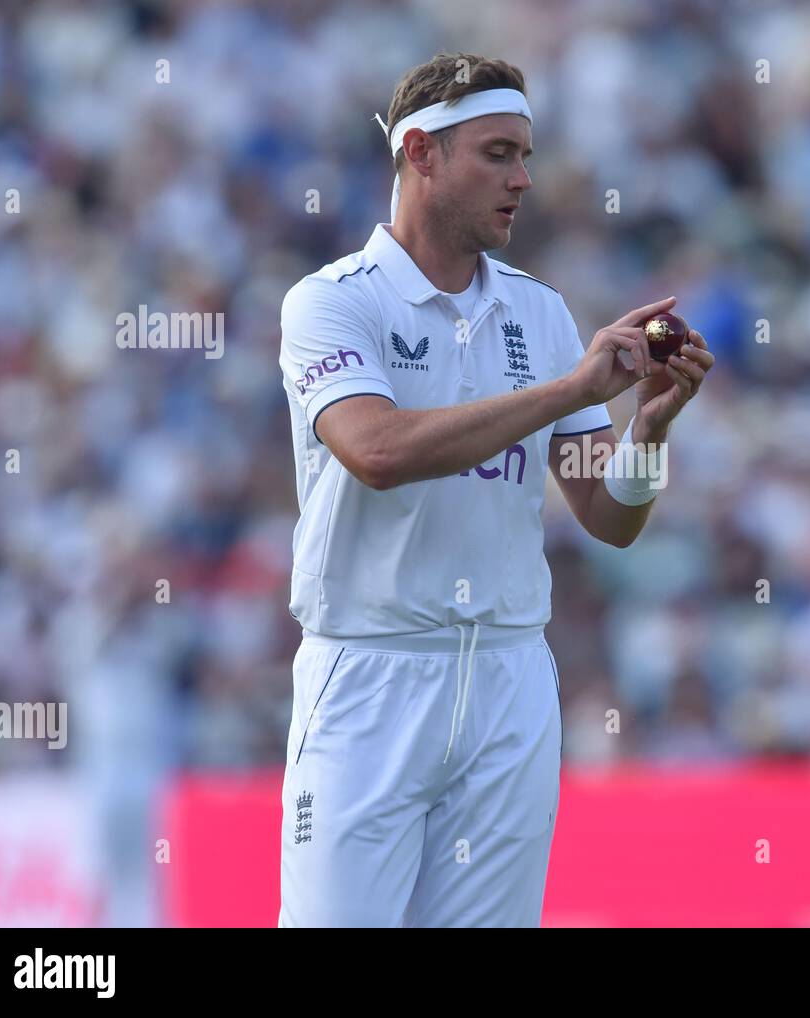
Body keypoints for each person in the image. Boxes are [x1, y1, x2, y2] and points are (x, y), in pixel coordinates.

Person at [276, 52, 714, 927]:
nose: (522, 179)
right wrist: (568, 394)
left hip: (511, 680)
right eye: (498, 153)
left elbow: (607, 516)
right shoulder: (330, 303)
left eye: (526, 156)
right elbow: (376, 452)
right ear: (421, 154)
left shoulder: (540, 313)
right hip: (372, 680)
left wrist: (648, 430)